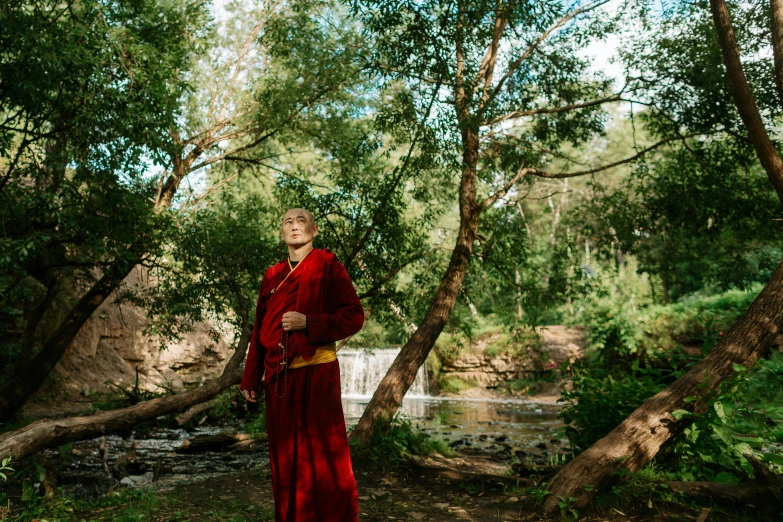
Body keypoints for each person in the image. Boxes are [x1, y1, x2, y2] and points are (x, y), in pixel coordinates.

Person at [240, 208, 364, 522]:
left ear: (315, 229)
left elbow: (354, 316)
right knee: (285, 456)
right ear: (281, 232)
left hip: (318, 372)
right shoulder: (272, 276)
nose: (295, 226)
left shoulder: (328, 266)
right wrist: (250, 378)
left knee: (324, 456)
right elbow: (259, 329)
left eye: (302, 220)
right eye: (288, 221)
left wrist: (309, 322)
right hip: (279, 378)